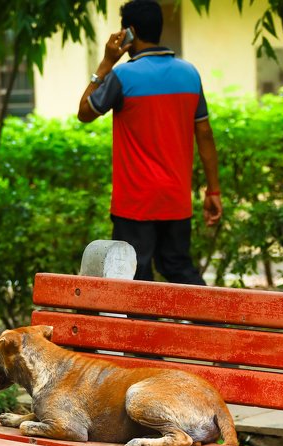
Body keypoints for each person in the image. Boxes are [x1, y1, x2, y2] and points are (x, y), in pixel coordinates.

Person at [77, 0, 222, 285]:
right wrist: (213, 189)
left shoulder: (122, 76)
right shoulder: (190, 74)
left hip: (135, 203)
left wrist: (107, 62)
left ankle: (143, 332)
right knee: (180, 269)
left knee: (134, 279)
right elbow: (204, 135)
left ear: (129, 32)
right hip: (176, 200)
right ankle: (211, 326)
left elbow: (84, 112)